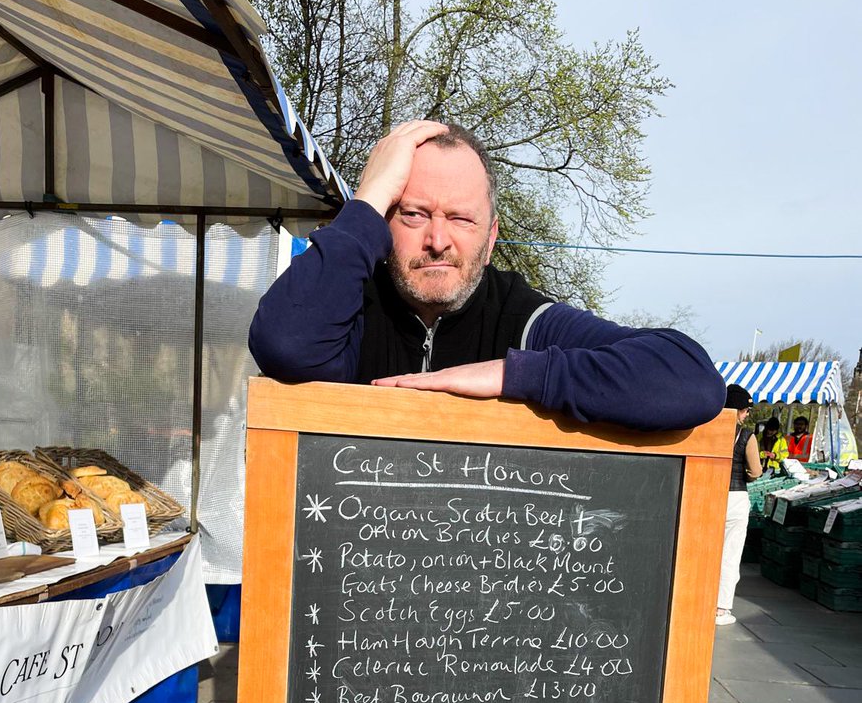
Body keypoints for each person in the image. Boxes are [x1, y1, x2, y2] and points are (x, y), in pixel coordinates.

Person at [249, 120, 725, 430]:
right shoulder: (350, 313)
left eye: (460, 218)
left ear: (491, 235)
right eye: (413, 214)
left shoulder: (527, 322)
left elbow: (690, 380)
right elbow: (285, 344)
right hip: (354, 574)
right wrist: (367, 201)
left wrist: (514, 373)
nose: (438, 239)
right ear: (383, 224)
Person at [716, 384, 763, 626]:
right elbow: (755, 471)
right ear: (739, 410)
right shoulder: (746, 436)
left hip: (709, 495)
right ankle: (721, 608)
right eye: (745, 410)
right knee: (729, 554)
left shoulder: (708, 430)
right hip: (735, 497)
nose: (746, 415)